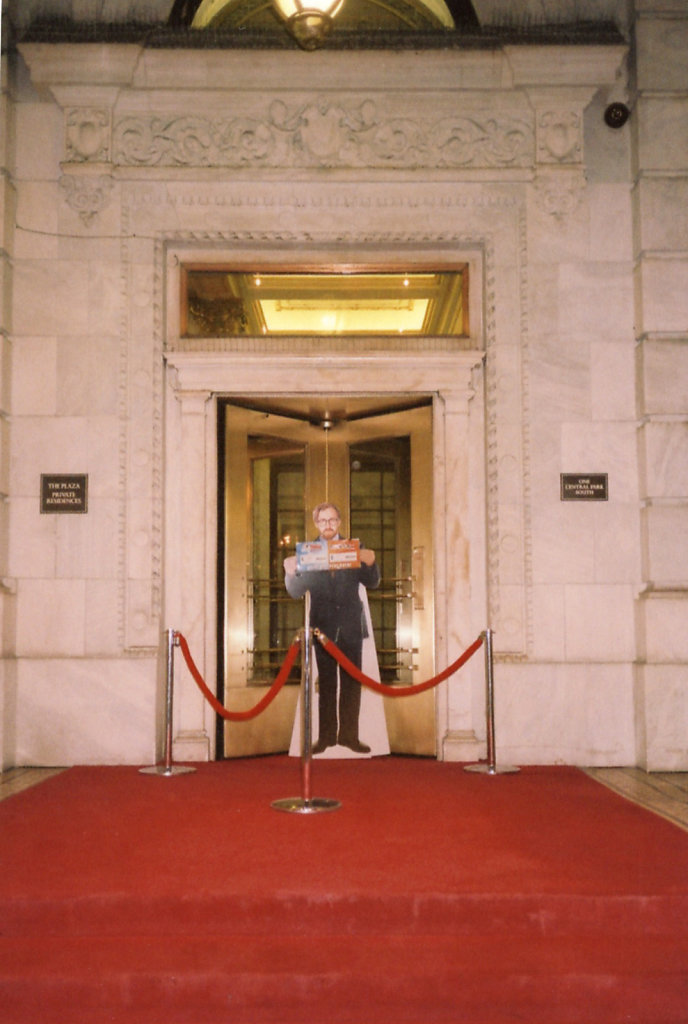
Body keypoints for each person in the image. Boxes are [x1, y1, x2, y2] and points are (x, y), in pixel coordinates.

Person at [283, 502, 380, 754]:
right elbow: (295, 592)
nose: (328, 525)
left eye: (333, 520)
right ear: (316, 523)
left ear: (339, 522)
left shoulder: (352, 549)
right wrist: (290, 573)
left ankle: (349, 736)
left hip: (350, 625)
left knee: (351, 682)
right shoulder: (309, 552)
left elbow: (373, 582)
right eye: (323, 521)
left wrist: (370, 562)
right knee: (326, 683)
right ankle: (326, 737)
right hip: (322, 627)